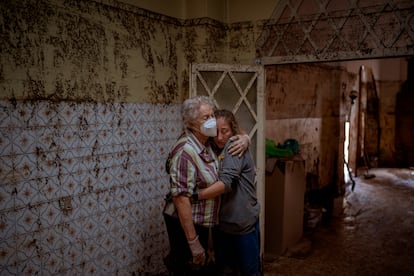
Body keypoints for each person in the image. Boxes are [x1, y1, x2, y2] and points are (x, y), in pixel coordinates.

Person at [163, 96, 249, 275]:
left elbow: (232, 131)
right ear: (192, 123)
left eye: (211, 115)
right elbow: (180, 199)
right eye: (206, 118)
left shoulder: (206, 142)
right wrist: (193, 243)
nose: (211, 121)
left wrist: (245, 138)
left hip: (202, 222)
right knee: (187, 267)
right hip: (186, 224)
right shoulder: (186, 151)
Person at [196, 109, 261, 276]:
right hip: (224, 224)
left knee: (249, 271)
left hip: (242, 224)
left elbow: (226, 183)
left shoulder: (233, 146)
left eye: (224, 131)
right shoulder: (214, 147)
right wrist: (246, 137)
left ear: (232, 130)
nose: (219, 137)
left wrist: (196, 195)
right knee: (228, 270)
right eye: (215, 132)